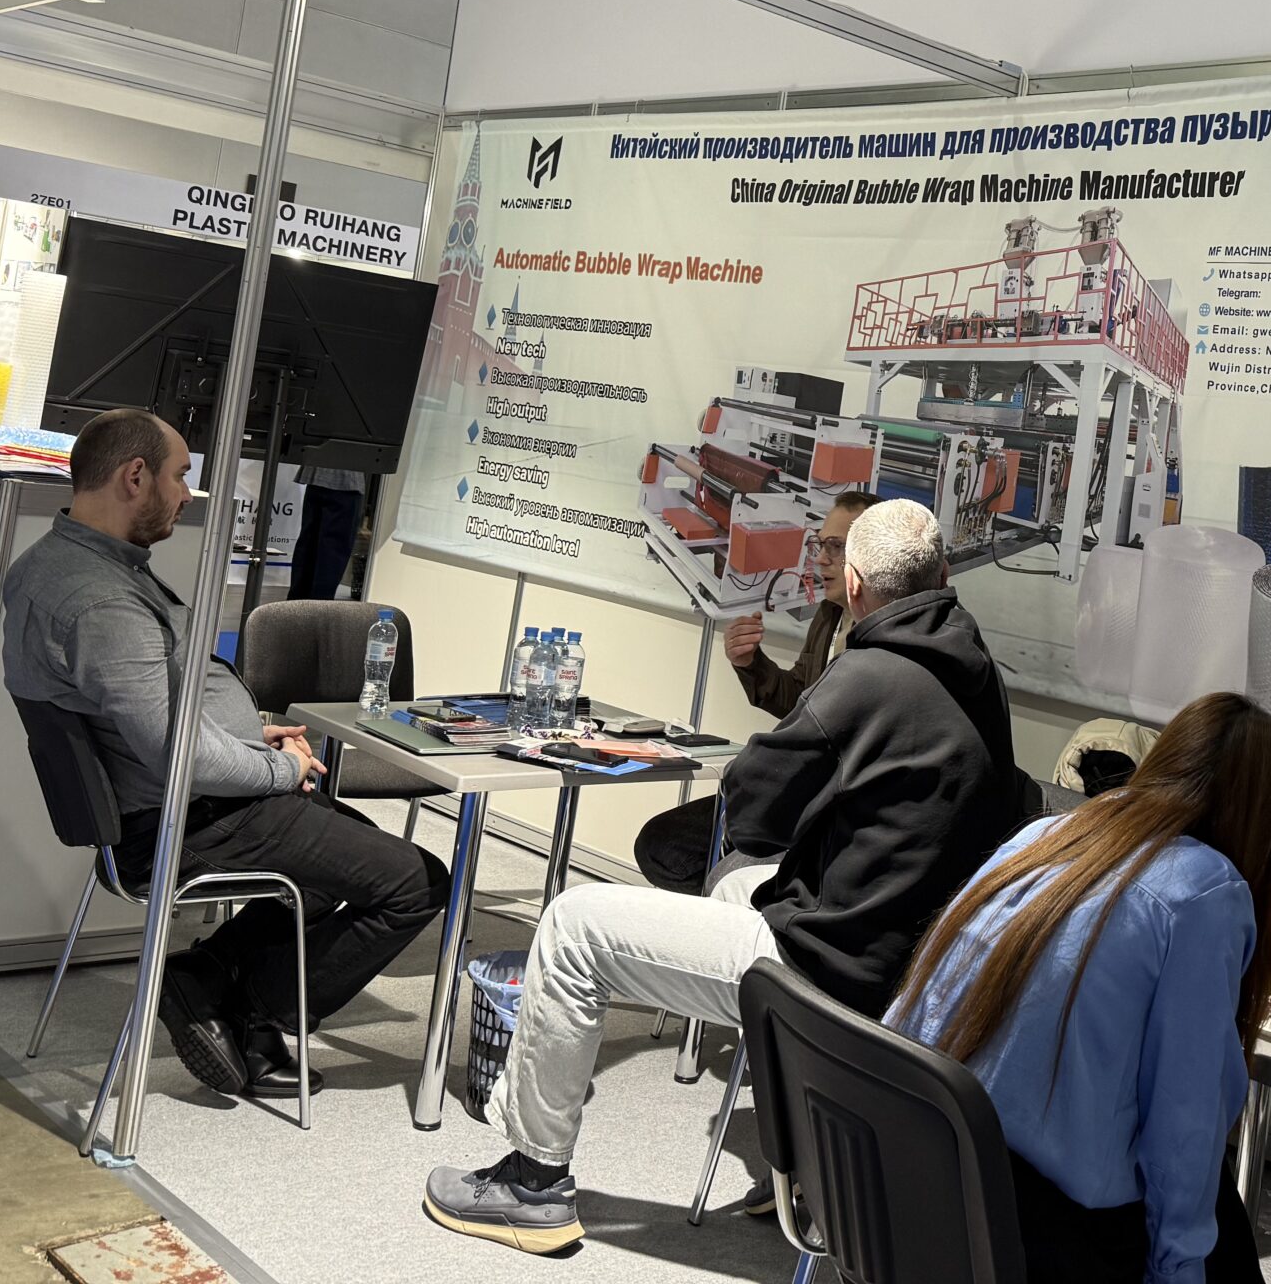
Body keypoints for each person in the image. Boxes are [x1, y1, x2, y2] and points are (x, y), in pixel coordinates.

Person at [422, 497, 1018, 1254]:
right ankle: (810, 1162)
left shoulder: (867, 675)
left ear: (857, 585)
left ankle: (531, 1183)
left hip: (826, 971)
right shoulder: (977, 676)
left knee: (573, 926)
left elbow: (755, 814)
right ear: (942, 576)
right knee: (736, 886)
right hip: (911, 961)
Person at [2, 409, 447, 1099]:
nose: (187, 494)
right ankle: (249, 1003)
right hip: (187, 818)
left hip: (177, 803)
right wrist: (277, 769)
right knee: (416, 883)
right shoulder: (102, 602)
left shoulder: (52, 563)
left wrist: (242, 736)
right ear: (135, 476)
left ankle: (206, 978)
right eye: (180, 476)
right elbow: (173, 754)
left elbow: (148, 717)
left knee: (340, 858)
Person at [891, 692, 1271, 1284]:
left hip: (912, 1182)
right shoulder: (1204, 892)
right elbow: (1184, 1133)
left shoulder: (1046, 835)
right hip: (1022, 1234)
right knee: (1213, 1219)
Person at [631, 490, 879, 894]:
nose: (820, 559)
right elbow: (800, 699)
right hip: (793, 794)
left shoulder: (887, 640)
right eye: (819, 545)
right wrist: (751, 664)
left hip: (831, 809)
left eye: (836, 547)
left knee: (727, 876)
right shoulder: (830, 614)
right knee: (661, 846)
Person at [287, 463, 370, 603]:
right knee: (330, 553)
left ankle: (295, 608)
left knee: (308, 547)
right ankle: (316, 610)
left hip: (317, 474)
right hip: (345, 479)